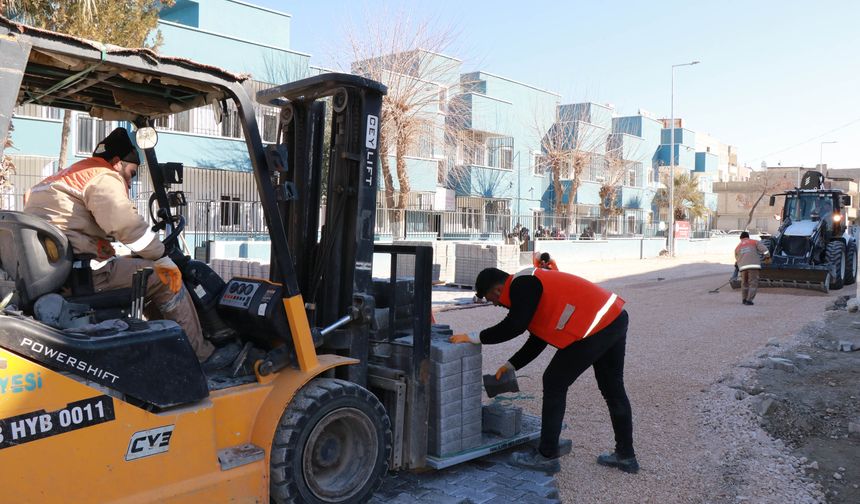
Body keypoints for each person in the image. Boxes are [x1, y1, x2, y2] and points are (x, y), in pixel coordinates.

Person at [24, 127, 239, 370]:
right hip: (83, 276)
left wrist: (127, 253)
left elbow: (77, 234)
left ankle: (166, 343)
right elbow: (124, 224)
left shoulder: (63, 178)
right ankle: (200, 355)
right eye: (131, 173)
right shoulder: (102, 176)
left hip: (62, 272)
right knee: (165, 278)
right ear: (117, 162)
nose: (129, 180)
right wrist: (161, 256)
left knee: (143, 272)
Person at [450, 267, 637, 474]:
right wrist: (511, 365)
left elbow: (514, 326)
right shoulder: (530, 287)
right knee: (612, 388)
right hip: (614, 318)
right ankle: (625, 456)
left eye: (492, 299)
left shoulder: (522, 284)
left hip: (597, 326)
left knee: (554, 382)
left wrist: (474, 337)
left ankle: (546, 456)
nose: (495, 304)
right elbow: (538, 338)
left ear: (497, 290)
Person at [735, 231, 770, 306]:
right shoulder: (754, 242)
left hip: (743, 268)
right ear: (748, 237)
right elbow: (765, 250)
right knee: (753, 283)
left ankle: (744, 299)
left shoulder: (738, 247)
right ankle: (749, 300)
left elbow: (737, 258)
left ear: (741, 238)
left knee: (744, 283)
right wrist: (767, 257)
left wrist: (739, 266)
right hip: (753, 266)